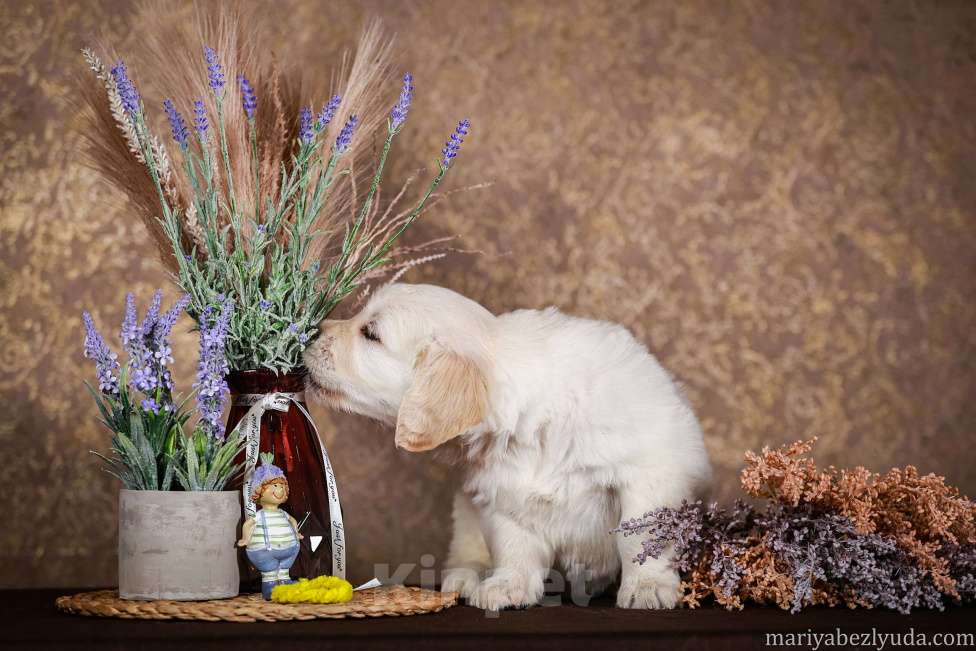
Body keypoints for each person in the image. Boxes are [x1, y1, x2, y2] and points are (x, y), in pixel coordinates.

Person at [237, 453, 304, 600]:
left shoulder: (283, 513)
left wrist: (296, 533)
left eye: (282, 486)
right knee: (270, 571)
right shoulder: (259, 515)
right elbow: (249, 524)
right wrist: (245, 539)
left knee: (283, 570)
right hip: (264, 551)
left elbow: (292, 521)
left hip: (289, 550)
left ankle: (285, 582)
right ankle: (269, 587)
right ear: (259, 490)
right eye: (275, 486)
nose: (280, 490)